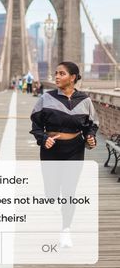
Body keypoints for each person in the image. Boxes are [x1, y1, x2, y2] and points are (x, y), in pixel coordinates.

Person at [30, 61, 99, 247]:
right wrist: (44, 138)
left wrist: (90, 137)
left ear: (73, 77)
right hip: (51, 150)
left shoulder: (85, 100)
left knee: (69, 191)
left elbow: (91, 125)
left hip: (74, 149)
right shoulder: (46, 98)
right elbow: (36, 125)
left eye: (61, 73)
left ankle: (66, 230)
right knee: (51, 193)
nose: (57, 77)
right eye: (56, 73)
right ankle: (54, 209)